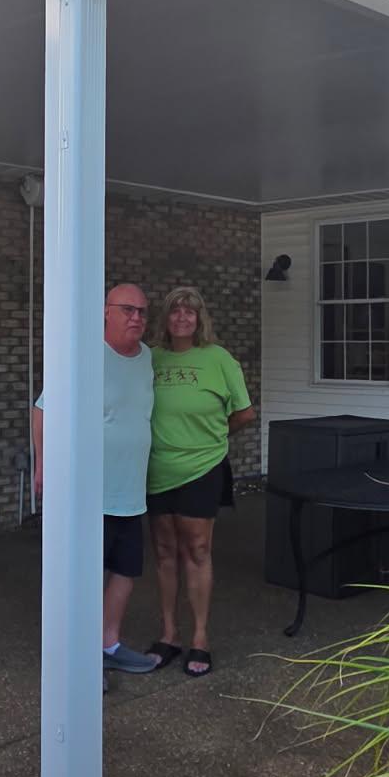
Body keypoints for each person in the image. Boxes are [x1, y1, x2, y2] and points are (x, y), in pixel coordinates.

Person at [32, 283, 157, 686]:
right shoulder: (86, 357)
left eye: (141, 311)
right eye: (127, 309)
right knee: (84, 577)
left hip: (131, 490)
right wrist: (42, 466)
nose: (136, 317)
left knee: (125, 571)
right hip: (90, 493)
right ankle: (80, 659)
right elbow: (43, 410)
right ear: (105, 312)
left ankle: (108, 645)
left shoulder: (147, 358)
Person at [145, 286, 255, 678]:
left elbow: (244, 413)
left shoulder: (218, 359)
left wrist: (212, 436)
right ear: (166, 318)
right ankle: (169, 635)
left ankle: (200, 638)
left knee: (197, 549)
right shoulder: (150, 358)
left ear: (199, 319)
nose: (182, 319)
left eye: (189, 313)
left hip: (202, 468)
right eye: (175, 312)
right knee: (163, 550)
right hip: (157, 468)